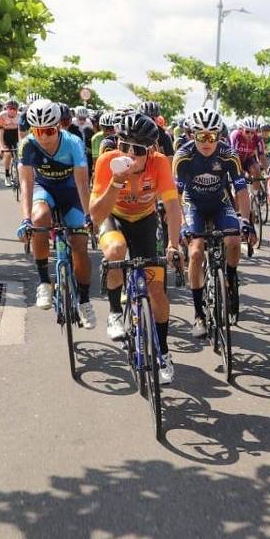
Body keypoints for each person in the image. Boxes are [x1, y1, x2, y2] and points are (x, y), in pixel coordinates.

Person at [90, 114, 183, 384]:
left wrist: (173, 244)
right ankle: (115, 313)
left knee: (156, 289)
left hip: (145, 220)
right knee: (116, 250)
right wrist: (116, 181)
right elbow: (96, 215)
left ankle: (163, 351)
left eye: (138, 150)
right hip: (114, 217)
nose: (129, 153)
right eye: (124, 145)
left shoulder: (160, 164)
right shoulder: (108, 161)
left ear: (151, 150)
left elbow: (173, 207)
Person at [14, 99, 95, 328]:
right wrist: (26, 219)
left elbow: (82, 184)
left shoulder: (73, 143)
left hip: (71, 193)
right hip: (44, 189)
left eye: (49, 131)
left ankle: (85, 301)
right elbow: (27, 183)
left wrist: (89, 217)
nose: (43, 137)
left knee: (79, 243)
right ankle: (44, 282)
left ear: (59, 126)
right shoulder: (28, 145)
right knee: (39, 220)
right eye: (37, 131)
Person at [174, 107, 255, 336]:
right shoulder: (183, 156)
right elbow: (176, 197)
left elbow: (241, 191)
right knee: (197, 251)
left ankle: (229, 276)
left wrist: (245, 220)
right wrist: (182, 225)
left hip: (220, 202)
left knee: (233, 240)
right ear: (192, 135)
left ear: (220, 136)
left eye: (213, 136)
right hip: (194, 204)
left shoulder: (229, 154)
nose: (207, 142)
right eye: (202, 136)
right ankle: (199, 314)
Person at [0, 100, 22, 183]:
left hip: (16, 134)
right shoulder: (2, 116)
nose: (12, 110)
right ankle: (7, 174)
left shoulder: (20, 116)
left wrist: (21, 145)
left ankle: (18, 173)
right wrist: (1, 146)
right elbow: (0, 132)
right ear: (6, 109)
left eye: (14, 109)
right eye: (10, 108)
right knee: (7, 154)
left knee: (20, 153)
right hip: (5, 135)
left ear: (17, 109)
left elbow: (21, 133)